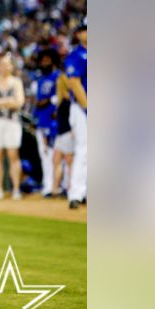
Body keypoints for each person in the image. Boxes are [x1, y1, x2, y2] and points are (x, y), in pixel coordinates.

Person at [0, 53, 26, 199]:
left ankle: (15, 189)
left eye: (7, 64)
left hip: (12, 121)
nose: (4, 67)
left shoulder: (16, 82)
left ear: (12, 66)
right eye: (2, 64)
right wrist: (8, 101)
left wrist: (0, 101)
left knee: (13, 155)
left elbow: (19, 102)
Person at [61, 19, 88, 209]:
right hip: (82, 108)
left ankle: (85, 191)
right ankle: (75, 193)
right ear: (79, 34)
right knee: (84, 149)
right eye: (85, 30)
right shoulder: (77, 55)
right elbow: (74, 83)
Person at [31, 47, 62, 197]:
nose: (44, 63)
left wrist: (49, 102)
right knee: (45, 156)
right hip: (43, 121)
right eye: (42, 61)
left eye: (47, 60)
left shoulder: (59, 77)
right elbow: (38, 102)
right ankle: (48, 185)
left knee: (59, 156)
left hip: (56, 122)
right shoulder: (41, 79)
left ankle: (59, 186)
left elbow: (60, 99)